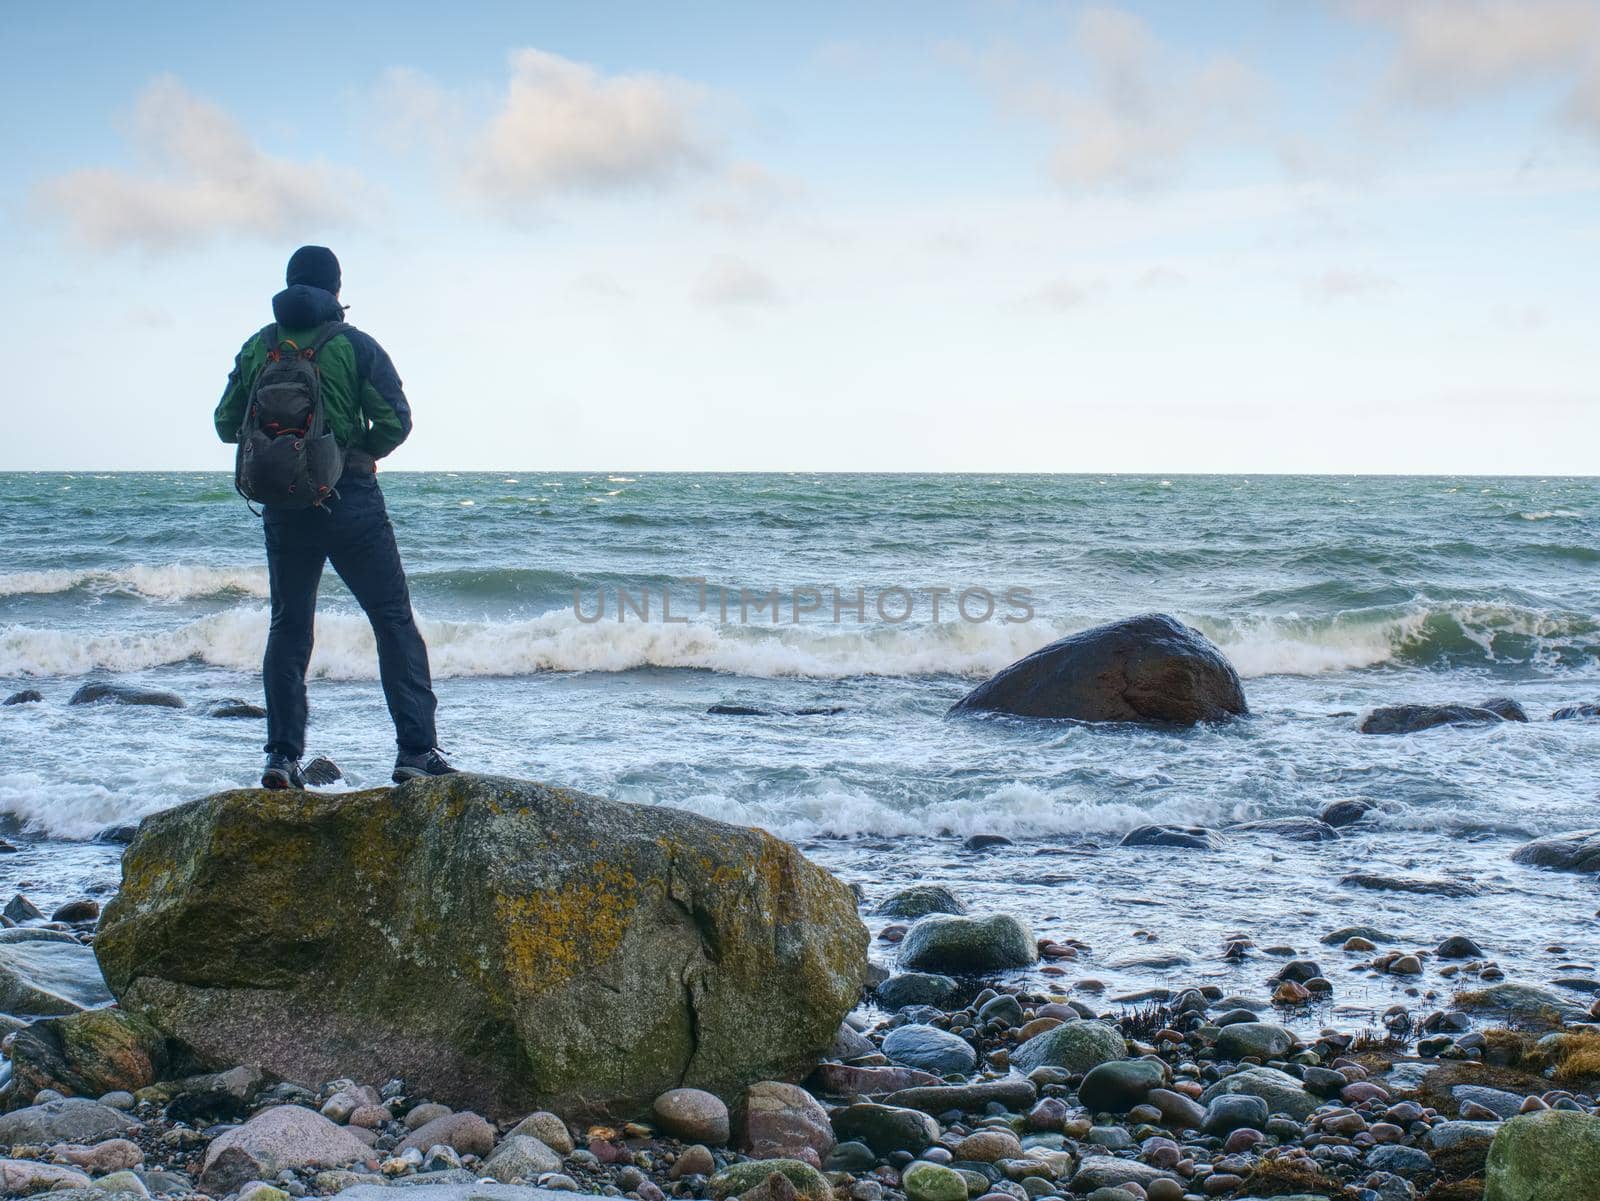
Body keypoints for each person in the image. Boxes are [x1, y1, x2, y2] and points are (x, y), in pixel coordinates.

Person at [214, 246, 456, 789]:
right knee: (392, 620)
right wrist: (358, 451)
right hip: (351, 499)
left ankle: (281, 758)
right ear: (336, 290)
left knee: (289, 626)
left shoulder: (261, 347)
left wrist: (281, 450)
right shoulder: (354, 345)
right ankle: (416, 753)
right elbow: (396, 420)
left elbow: (226, 423)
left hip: (283, 505)